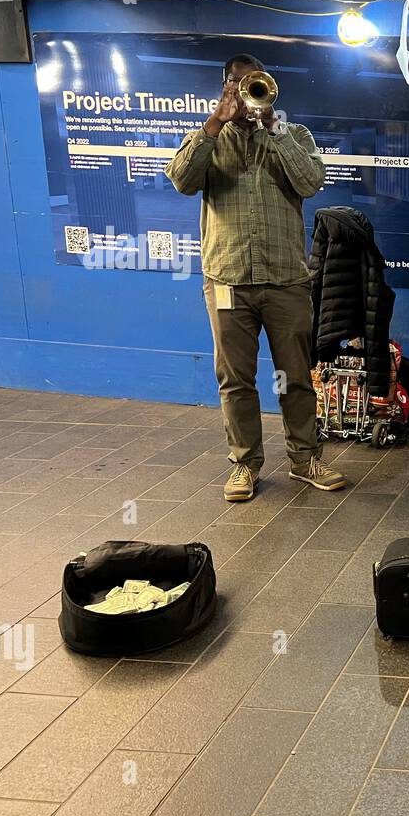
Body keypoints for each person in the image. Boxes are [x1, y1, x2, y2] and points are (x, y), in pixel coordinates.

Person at [166, 53, 346, 502]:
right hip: (227, 279)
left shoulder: (293, 134)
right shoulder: (208, 138)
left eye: (255, 85)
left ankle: (305, 460)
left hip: (285, 279)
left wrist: (275, 130)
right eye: (237, 84)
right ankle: (244, 464)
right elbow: (182, 181)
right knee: (235, 380)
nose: (247, 94)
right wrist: (213, 124)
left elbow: (311, 181)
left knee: (298, 375)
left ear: (269, 88)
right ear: (225, 86)